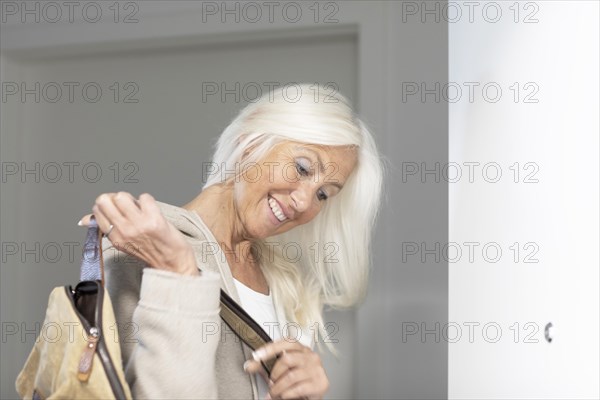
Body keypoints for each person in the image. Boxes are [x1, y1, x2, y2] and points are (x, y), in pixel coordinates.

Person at [79, 83, 384, 399]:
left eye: (323, 194)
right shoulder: (143, 243)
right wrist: (179, 273)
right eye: (302, 167)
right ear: (252, 142)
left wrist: (306, 392)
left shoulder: (288, 283)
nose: (305, 202)